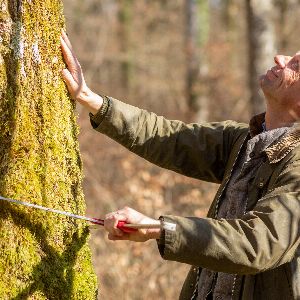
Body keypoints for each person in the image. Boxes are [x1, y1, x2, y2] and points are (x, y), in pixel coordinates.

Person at [60, 31, 300, 300]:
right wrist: (93, 101)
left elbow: (257, 243)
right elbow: (169, 138)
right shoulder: (247, 139)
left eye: (297, 67)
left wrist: (160, 229)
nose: (280, 59)